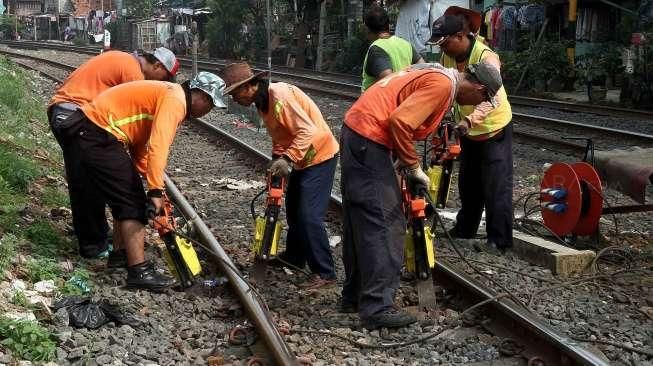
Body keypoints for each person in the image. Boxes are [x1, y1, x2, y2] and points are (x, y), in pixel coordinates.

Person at [340, 60, 504, 330]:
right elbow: (400, 121)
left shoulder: (435, 74)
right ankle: (377, 307)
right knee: (386, 223)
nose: (478, 104)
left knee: (361, 219)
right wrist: (414, 166)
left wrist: (398, 160)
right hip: (369, 138)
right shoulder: (442, 85)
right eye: (483, 97)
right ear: (477, 86)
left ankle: (354, 296)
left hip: (359, 134)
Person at [51, 72, 226, 290]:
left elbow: (139, 145)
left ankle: (120, 255)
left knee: (125, 194)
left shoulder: (169, 93)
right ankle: (139, 271)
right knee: (133, 202)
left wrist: (149, 179)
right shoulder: (176, 101)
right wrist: (154, 190)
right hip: (97, 133)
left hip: (90, 130)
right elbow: (158, 145)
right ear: (200, 95)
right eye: (209, 105)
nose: (207, 112)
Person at [48, 47, 179, 261]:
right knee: (86, 183)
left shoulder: (124, 60)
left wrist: (149, 175)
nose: (164, 83)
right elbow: (132, 124)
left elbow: (132, 137)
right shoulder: (133, 72)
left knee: (89, 179)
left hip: (68, 112)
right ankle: (93, 245)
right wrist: (154, 184)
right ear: (157, 66)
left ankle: (97, 236)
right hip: (73, 114)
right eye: (165, 78)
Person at [221, 63, 339, 290]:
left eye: (234, 93)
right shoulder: (263, 103)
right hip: (304, 158)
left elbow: (307, 131)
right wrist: (277, 159)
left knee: (309, 215)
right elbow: (281, 134)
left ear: (249, 87)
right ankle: (295, 257)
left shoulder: (280, 96)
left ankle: (325, 272)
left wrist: (288, 159)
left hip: (320, 156)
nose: (234, 99)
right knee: (294, 209)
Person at [431, 7, 514, 252]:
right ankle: (466, 228)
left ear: (460, 36)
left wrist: (468, 121)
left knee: (496, 186)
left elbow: (493, 99)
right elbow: (448, 86)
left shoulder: (486, 57)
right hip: (468, 132)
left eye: (444, 43)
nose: (441, 49)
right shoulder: (448, 56)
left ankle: (499, 242)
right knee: (469, 183)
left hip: (493, 128)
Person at [361, 5, 423, 91]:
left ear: (367, 29)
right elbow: (422, 67)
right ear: (388, 26)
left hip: (378, 103)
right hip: (403, 100)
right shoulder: (405, 44)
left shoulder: (377, 48)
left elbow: (388, 80)